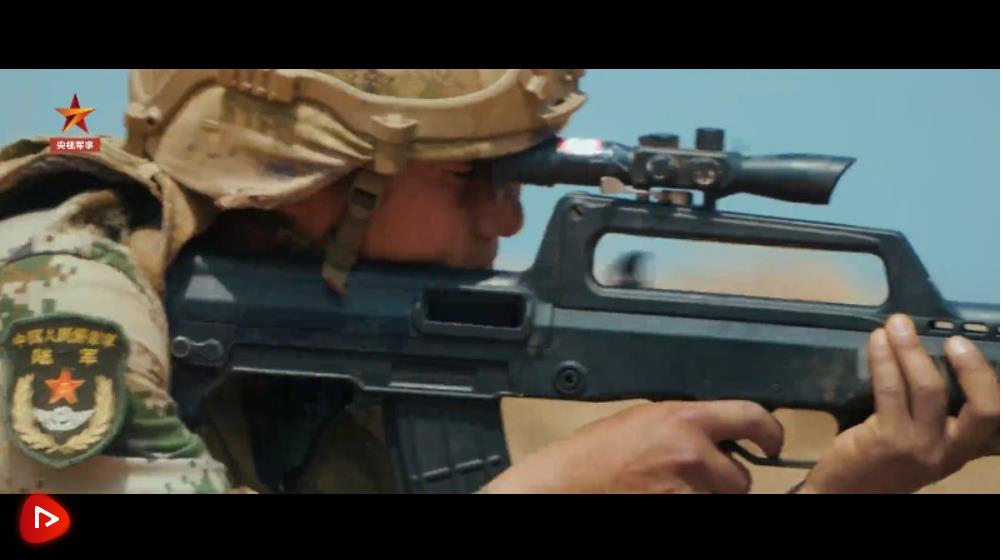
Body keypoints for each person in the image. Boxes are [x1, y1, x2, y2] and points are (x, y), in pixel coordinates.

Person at [0, 69, 996, 494]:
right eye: (471, 174)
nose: (507, 216)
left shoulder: (331, 341)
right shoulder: (59, 283)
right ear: (321, 169)